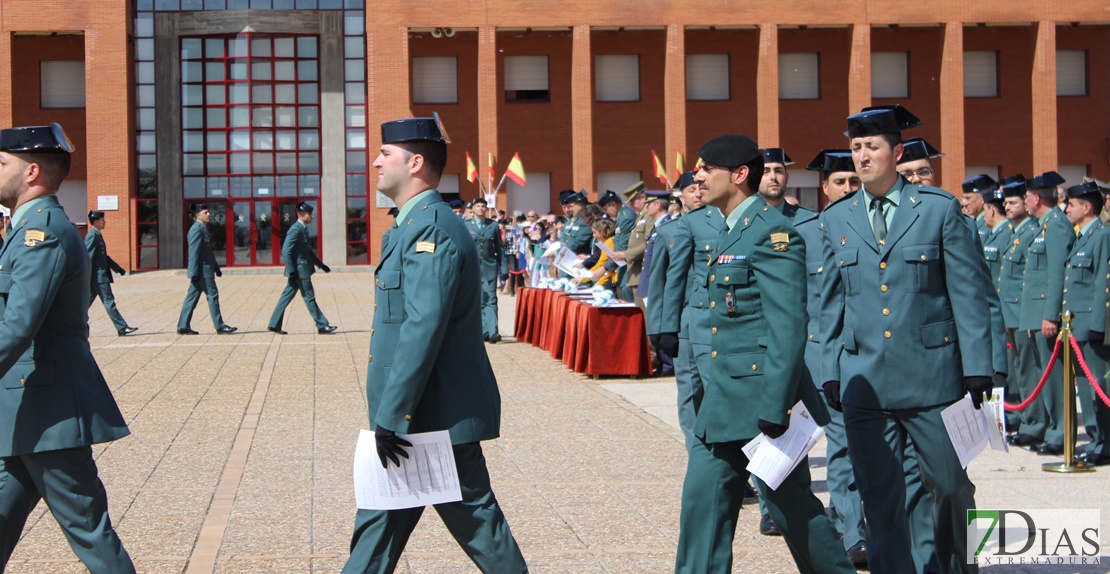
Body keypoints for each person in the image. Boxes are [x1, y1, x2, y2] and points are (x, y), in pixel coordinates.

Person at [343, 117, 527, 573]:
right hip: (413, 420)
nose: (375, 161)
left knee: (482, 530)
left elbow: (420, 329)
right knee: (377, 531)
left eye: (385, 153)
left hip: (430, 420)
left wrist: (391, 415)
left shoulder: (431, 230)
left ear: (416, 162)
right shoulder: (414, 225)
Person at [819, 106, 993, 574]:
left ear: (896, 153)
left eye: (871, 147)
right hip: (864, 380)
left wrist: (978, 365)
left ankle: (958, 565)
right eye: (855, 148)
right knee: (880, 496)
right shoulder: (836, 218)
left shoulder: (936, 210)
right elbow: (828, 302)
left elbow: (967, 292)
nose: (862, 156)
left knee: (952, 485)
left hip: (932, 378)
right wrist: (827, 367)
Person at [675, 134, 853, 574]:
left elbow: (788, 326)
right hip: (725, 399)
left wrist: (776, 406)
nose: (697, 177)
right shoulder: (729, 226)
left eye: (707, 169)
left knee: (792, 508)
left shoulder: (771, 233)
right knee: (703, 504)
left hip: (760, 403)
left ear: (738, 175)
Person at [0, 123, 135, 572]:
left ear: (31, 171)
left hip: (47, 411)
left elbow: (18, 324)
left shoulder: (43, 233)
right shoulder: (28, 230)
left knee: (90, 532)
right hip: (27, 409)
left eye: (2, 163)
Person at [1018, 170, 1071, 455]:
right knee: (1044, 377)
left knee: (1054, 378)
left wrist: (1050, 315)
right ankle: (1053, 429)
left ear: (1037, 198)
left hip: (1046, 316)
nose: (1025, 202)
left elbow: (1056, 274)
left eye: (1026, 197)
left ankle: (1062, 433)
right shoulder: (1043, 225)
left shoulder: (1056, 226)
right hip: (1036, 315)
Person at [1061, 180, 1110, 466]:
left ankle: (1105, 442)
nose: (1067, 208)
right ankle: (1096, 439)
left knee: (1098, 387)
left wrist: (1098, 324)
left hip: (1093, 326)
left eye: (1072, 204)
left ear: (1087, 207)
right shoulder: (1083, 236)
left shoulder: (1102, 236)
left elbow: (1103, 282)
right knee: (1085, 385)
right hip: (1076, 325)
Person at [999, 176, 1042, 444]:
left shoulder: (1030, 233)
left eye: (1013, 202)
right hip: (1011, 313)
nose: (1007, 206)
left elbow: (1030, 278)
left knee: (1029, 371)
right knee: (1018, 370)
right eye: (1005, 202)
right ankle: (1027, 420)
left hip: (1023, 313)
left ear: (1026, 205)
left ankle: (1034, 422)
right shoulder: (1016, 233)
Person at [267, 201, 336, 335]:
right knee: (309, 297)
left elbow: (307, 252)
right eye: (310, 214)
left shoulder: (302, 229)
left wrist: (321, 265)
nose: (312, 216)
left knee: (286, 297)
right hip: (299, 271)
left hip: (300, 270)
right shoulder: (295, 229)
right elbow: (286, 251)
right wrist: (292, 271)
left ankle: (274, 324)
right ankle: (322, 325)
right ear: (302, 214)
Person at [177, 203, 236, 335]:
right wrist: (193, 273)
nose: (209, 214)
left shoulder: (202, 228)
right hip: (202, 271)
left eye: (208, 212)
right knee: (212, 295)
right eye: (205, 212)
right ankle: (220, 326)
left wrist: (216, 267)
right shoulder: (196, 229)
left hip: (205, 269)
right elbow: (194, 253)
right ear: (198, 215)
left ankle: (183, 326)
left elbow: (207, 251)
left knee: (191, 298)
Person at [85, 210, 137, 337]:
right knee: (109, 302)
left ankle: (71, 325)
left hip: (97, 276)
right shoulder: (92, 235)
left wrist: (117, 268)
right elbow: (88, 257)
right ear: (96, 222)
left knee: (83, 304)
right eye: (102, 220)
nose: (105, 222)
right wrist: (85, 276)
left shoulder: (97, 234)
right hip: (98, 277)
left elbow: (103, 257)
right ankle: (122, 327)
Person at [467, 197, 504, 343]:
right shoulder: (466, 225)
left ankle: (493, 331)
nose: (481, 209)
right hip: (473, 268)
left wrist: (504, 268)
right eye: (478, 206)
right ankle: (484, 330)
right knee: (480, 300)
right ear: (473, 209)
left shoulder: (493, 226)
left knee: (491, 298)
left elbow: (500, 248)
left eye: (483, 206)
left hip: (489, 267)